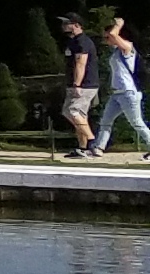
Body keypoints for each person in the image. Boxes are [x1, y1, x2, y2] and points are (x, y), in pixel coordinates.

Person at [93, 14, 147, 162]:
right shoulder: (114, 52)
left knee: (137, 123)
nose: (106, 40)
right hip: (117, 93)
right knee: (105, 121)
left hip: (129, 92)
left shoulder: (128, 47)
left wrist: (118, 25)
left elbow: (113, 34)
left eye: (107, 38)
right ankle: (98, 148)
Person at [57, 12, 96, 157]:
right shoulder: (72, 41)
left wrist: (77, 84)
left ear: (77, 25)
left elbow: (81, 64)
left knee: (72, 111)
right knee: (78, 115)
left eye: (67, 23)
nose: (63, 25)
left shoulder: (83, 42)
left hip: (85, 84)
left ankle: (92, 142)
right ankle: (83, 148)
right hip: (75, 84)